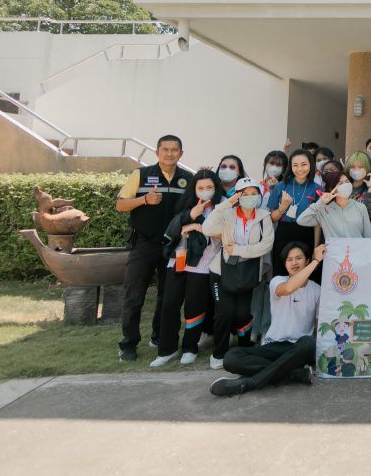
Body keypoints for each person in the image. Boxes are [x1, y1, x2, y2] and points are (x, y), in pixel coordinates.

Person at [210, 241, 325, 397]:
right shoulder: (277, 281)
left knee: (309, 343)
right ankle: (293, 374)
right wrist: (316, 261)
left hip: (298, 349)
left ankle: (249, 383)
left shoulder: (317, 290)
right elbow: (288, 288)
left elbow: (318, 327)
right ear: (285, 264)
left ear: (307, 260)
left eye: (299, 258)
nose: (294, 263)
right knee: (231, 358)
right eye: (289, 259)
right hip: (273, 345)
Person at [115, 134, 193, 362]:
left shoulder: (188, 178)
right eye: (165, 149)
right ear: (157, 152)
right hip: (144, 244)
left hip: (174, 246)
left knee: (168, 296)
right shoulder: (141, 175)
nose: (169, 153)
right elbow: (120, 204)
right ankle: (128, 344)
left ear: (181, 153)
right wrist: (144, 200)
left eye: (174, 150)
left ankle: (159, 337)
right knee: (134, 295)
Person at [201, 178, 275, 370]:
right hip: (221, 271)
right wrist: (226, 204)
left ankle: (244, 348)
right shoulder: (227, 214)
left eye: (254, 193)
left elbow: (266, 245)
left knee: (243, 314)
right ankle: (219, 353)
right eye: (245, 194)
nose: (250, 197)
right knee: (224, 312)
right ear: (237, 196)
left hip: (247, 272)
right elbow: (207, 228)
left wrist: (238, 250)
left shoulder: (264, 216)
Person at [151, 170, 220, 367]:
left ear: (216, 188)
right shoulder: (186, 204)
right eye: (200, 187)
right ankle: (167, 349)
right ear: (194, 189)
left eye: (209, 187)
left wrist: (198, 226)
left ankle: (190, 348)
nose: (205, 191)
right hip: (178, 260)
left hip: (203, 264)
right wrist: (190, 215)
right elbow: (173, 228)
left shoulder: (221, 207)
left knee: (194, 307)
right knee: (169, 305)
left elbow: (224, 234)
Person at [266, 149, 323, 278]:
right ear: (290, 167)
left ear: (311, 165)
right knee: (282, 274)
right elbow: (273, 218)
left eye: (304, 164)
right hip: (284, 233)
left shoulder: (317, 189)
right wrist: (282, 207)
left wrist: (315, 248)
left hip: (307, 234)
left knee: (306, 275)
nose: (299, 169)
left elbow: (318, 223)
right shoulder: (281, 186)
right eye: (295, 165)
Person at [296, 170, 371, 240]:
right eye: (340, 183)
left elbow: (368, 236)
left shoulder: (360, 207)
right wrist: (321, 202)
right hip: (334, 252)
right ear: (331, 188)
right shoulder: (324, 210)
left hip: (357, 251)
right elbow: (301, 220)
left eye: (347, 182)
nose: (346, 185)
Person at [346, 151, 371, 219]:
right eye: (353, 167)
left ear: (368, 169)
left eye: (360, 167)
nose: (356, 170)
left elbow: (370, 214)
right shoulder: (344, 188)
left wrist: (370, 188)